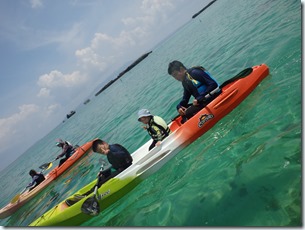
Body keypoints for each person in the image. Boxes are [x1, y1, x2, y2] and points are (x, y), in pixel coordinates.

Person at [65, 139, 132, 206]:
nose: (102, 152)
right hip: (120, 168)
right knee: (101, 177)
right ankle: (86, 194)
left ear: (104, 143)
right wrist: (104, 172)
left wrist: (110, 153)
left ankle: (87, 196)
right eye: (100, 152)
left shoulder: (114, 148)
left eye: (101, 149)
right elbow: (115, 165)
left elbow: (123, 156)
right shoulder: (109, 151)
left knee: (102, 182)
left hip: (126, 167)